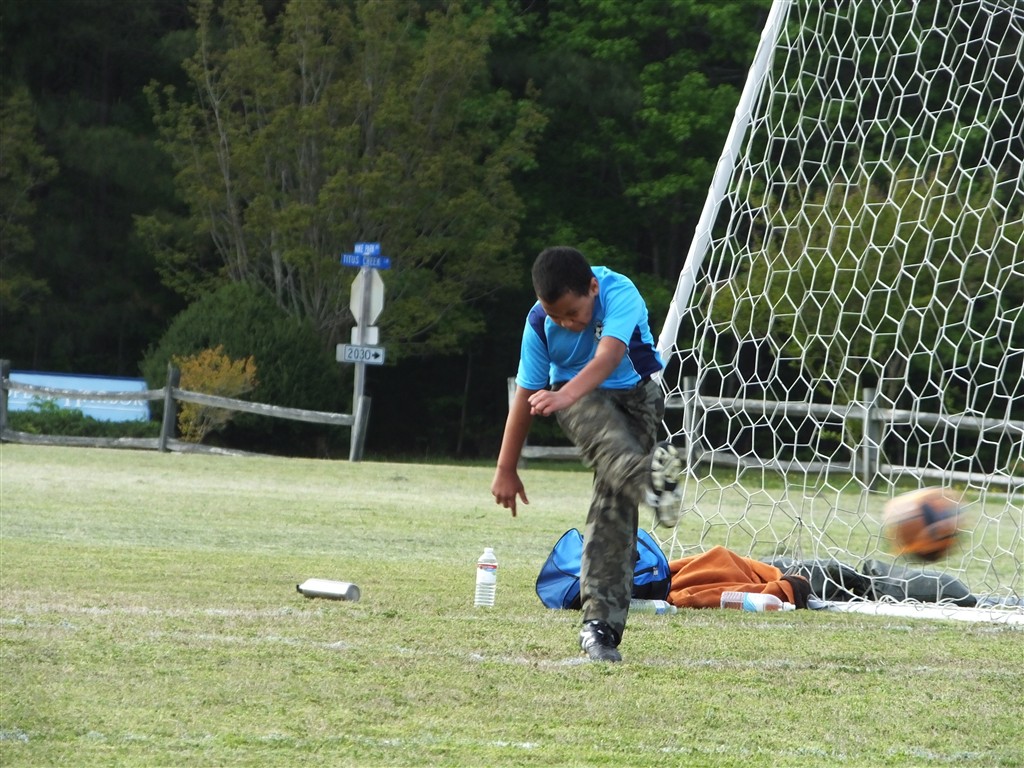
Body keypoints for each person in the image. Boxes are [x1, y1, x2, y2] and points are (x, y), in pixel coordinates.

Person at [490, 246, 682, 662]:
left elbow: (608, 355)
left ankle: (602, 627)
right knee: (609, 454)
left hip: (637, 399)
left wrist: (563, 395)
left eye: (573, 313)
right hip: (580, 402)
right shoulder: (538, 323)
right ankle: (650, 484)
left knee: (613, 507)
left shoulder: (619, 291)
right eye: (555, 315)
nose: (565, 323)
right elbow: (525, 394)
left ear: (592, 288)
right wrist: (506, 467)